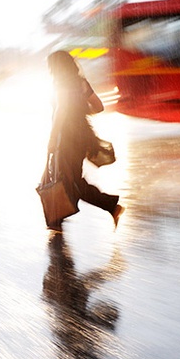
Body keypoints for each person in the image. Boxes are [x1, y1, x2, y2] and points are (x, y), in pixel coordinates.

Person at [46, 50, 124, 230]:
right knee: (67, 178)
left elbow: (61, 112)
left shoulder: (60, 84)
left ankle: (111, 206)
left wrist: (52, 138)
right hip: (82, 136)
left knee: (70, 180)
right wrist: (80, 111)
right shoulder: (81, 83)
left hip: (66, 138)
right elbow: (99, 107)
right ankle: (57, 219)